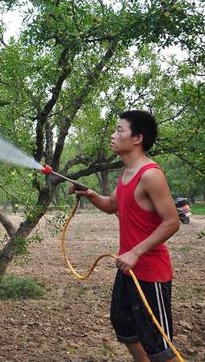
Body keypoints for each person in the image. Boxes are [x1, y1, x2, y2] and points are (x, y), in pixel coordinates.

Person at [73, 110, 180, 362]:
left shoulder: (150, 175)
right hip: (128, 270)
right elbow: (112, 205)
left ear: (137, 138)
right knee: (124, 327)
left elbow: (172, 222)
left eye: (120, 130)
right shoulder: (126, 174)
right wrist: (90, 194)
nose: (113, 135)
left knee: (159, 345)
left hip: (151, 272)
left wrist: (135, 252)